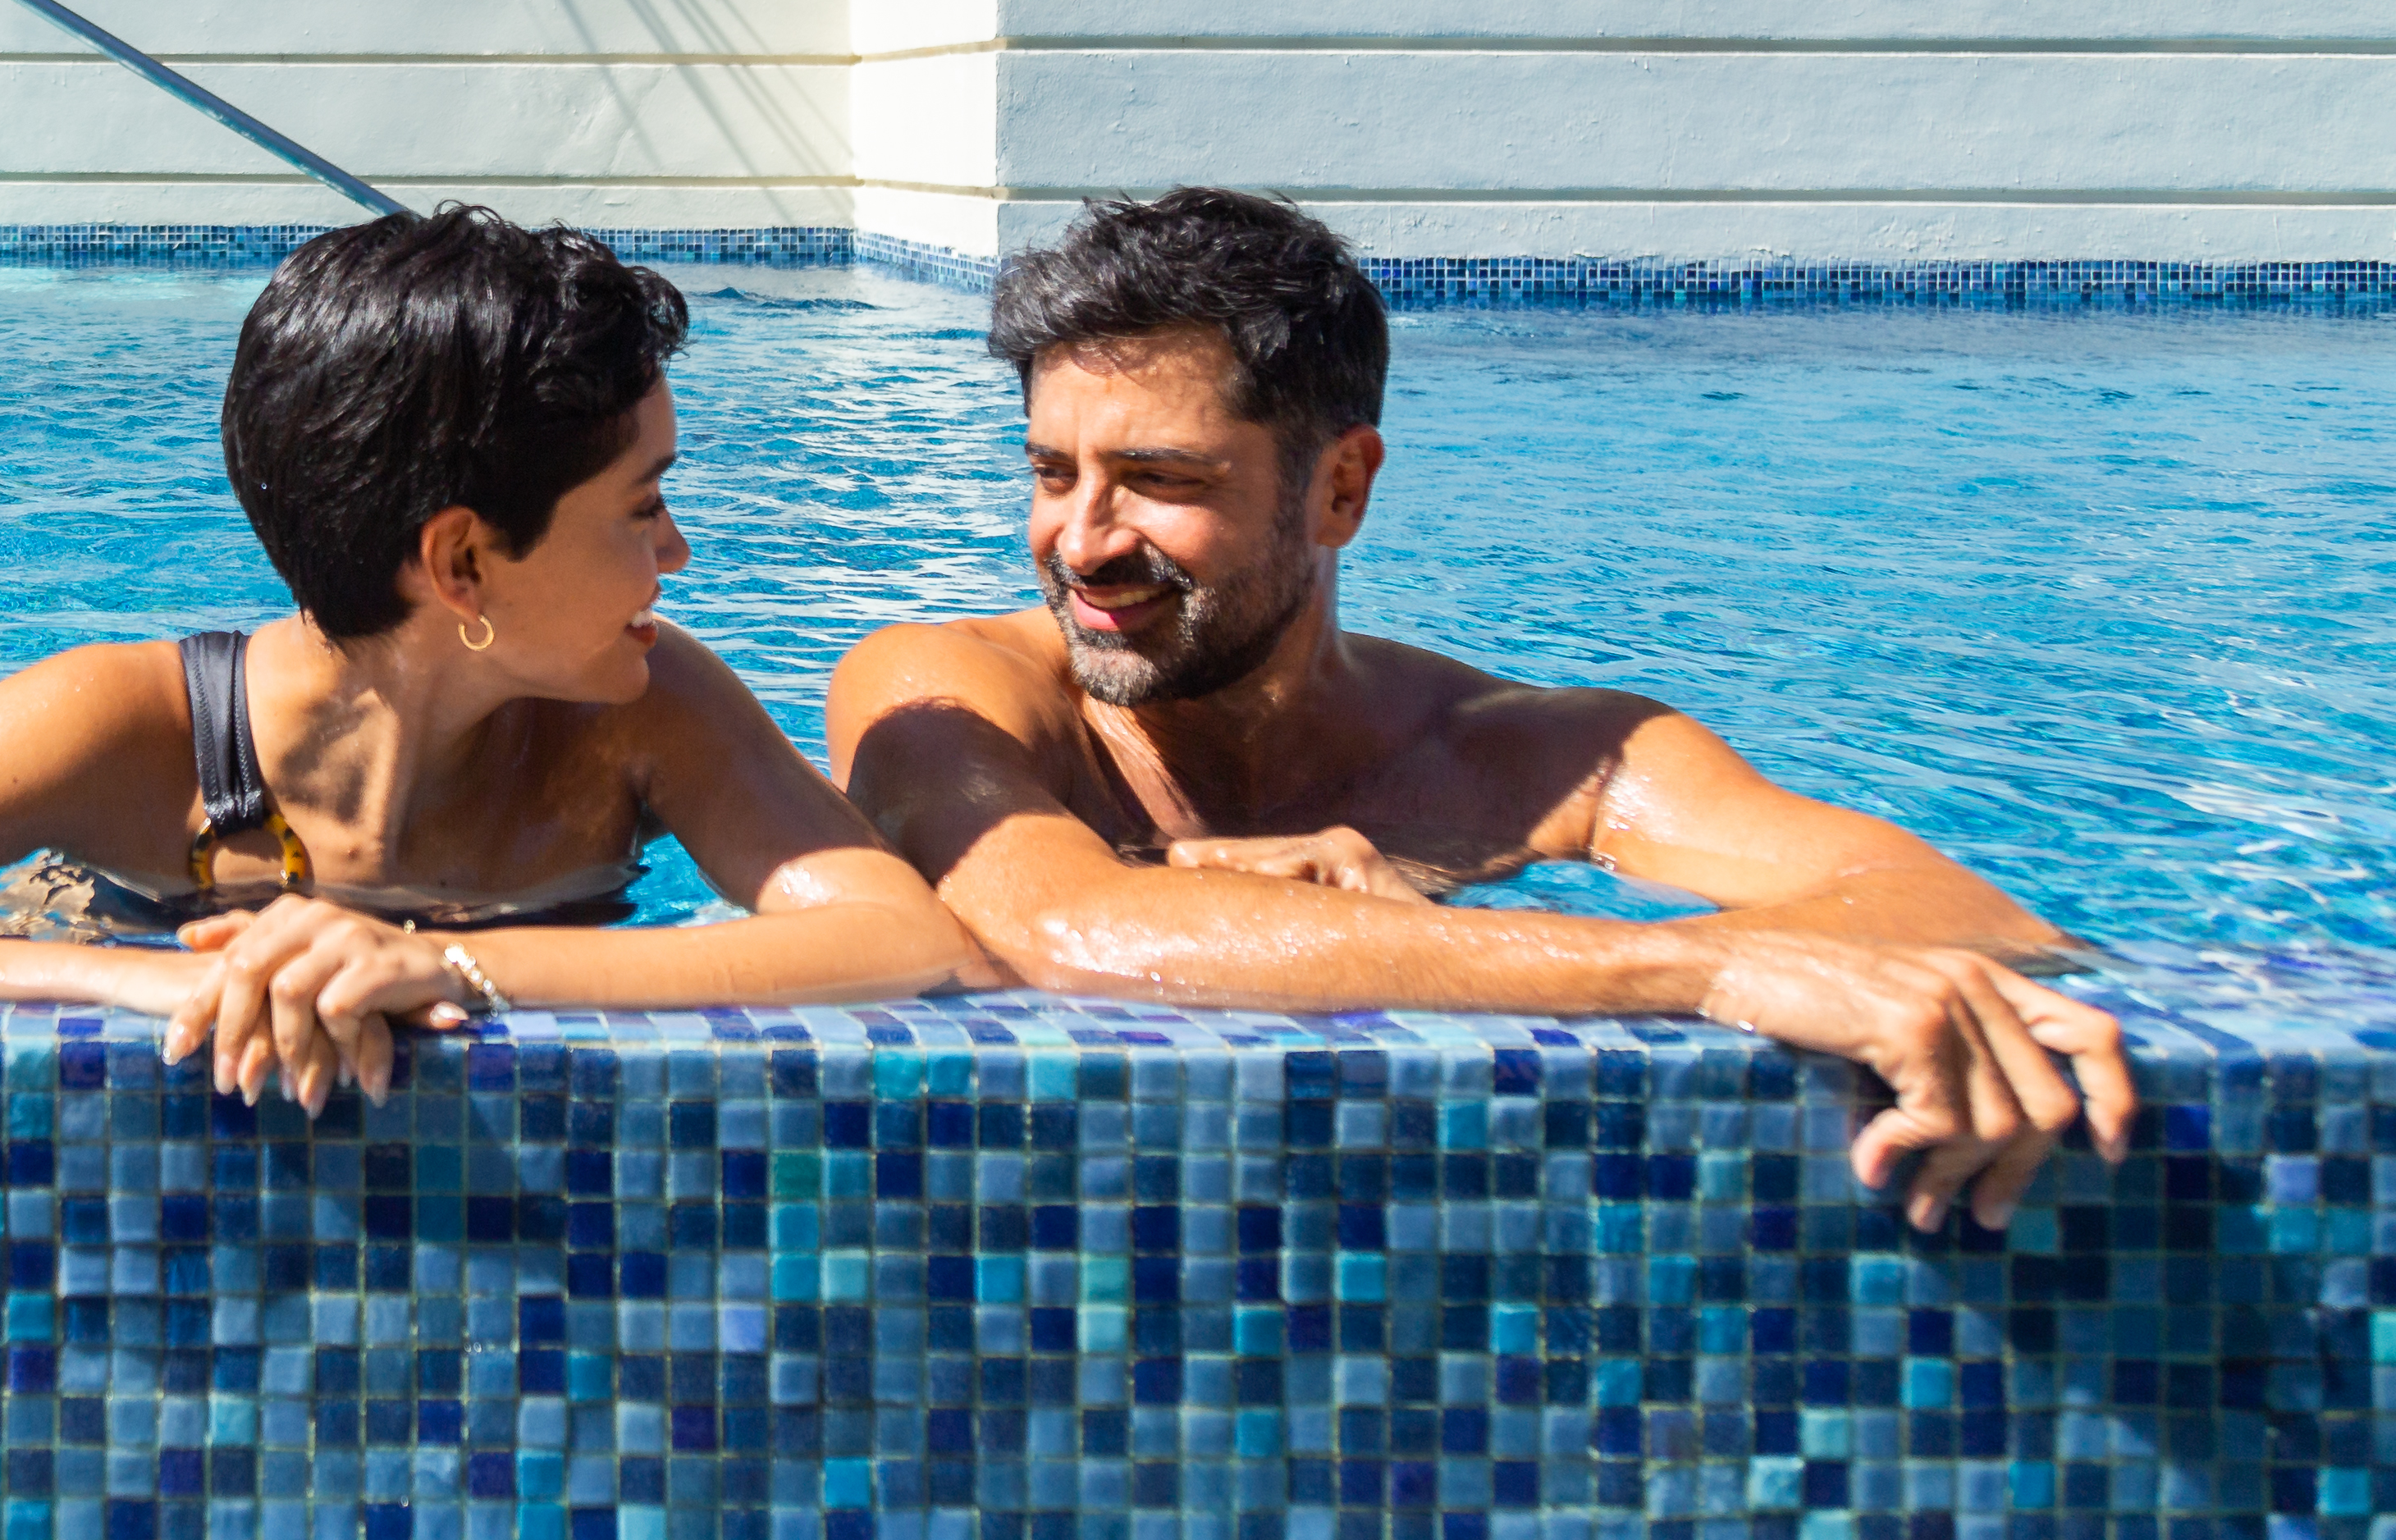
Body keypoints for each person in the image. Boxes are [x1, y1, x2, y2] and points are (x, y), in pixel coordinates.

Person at [827, 185, 2142, 1236]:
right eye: (1053, 474)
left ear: (1341, 489)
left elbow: (1973, 911)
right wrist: (1704, 964)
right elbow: (1067, 925)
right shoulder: (945, 689)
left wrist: (1437, 944)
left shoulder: (1545, 757)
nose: (1084, 541)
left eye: (1159, 479)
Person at [0, 207, 976, 1105]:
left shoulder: (644, 705)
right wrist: (139, 980)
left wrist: (448, 970)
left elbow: (902, 938)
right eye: (644, 504)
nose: (678, 556)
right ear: (464, 563)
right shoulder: (127, 726)